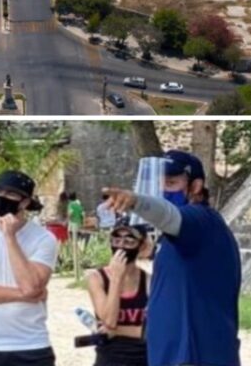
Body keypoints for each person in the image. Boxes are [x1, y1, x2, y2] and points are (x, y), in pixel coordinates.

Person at [103, 150, 241, 366]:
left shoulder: (201, 221)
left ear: (195, 187)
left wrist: (137, 202)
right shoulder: (175, 239)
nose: (161, 191)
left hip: (193, 356)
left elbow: (169, 215)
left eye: (170, 183)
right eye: (158, 184)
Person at [0, 170, 60, 366]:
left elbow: (31, 285)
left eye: (10, 195)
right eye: (0, 192)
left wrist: (10, 238)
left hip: (32, 344)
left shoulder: (43, 239)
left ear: (24, 202)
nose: (2, 198)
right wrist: (23, 295)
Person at [84, 221, 153, 366]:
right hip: (109, 356)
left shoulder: (149, 281)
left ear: (141, 246)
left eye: (128, 241)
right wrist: (116, 279)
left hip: (142, 357)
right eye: (116, 240)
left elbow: (154, 330)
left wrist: (118, 331)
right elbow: (109, 320)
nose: (121, 246)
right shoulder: (96, 278)